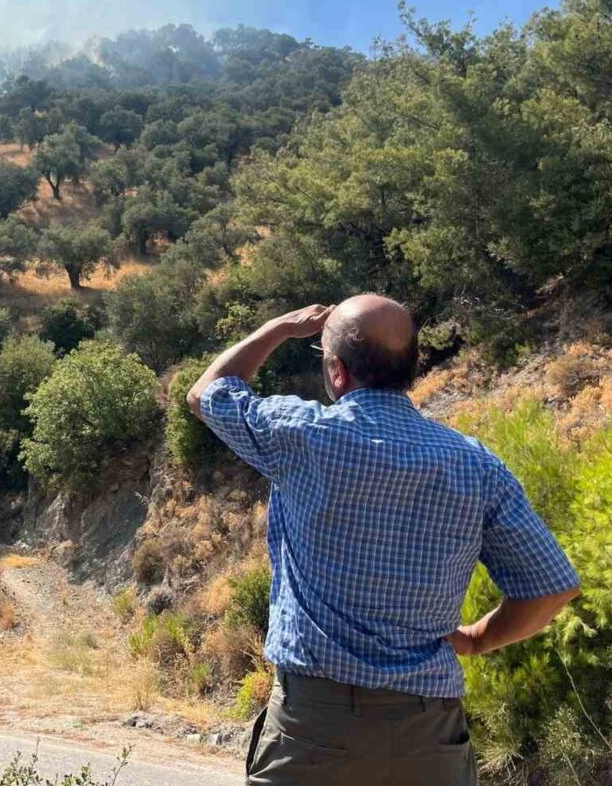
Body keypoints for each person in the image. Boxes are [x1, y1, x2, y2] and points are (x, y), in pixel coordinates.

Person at [187, 296, 580, 786]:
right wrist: (479, 639)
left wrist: (278, 329)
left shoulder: (302, 435)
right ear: (411, 367)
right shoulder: (476, 465)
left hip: (315, 725)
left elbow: (207, 393)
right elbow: (551, 586)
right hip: (429, 734)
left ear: (337, 372)